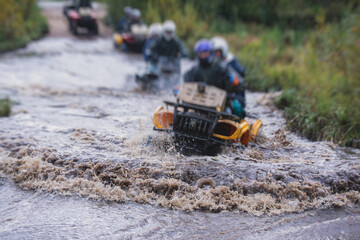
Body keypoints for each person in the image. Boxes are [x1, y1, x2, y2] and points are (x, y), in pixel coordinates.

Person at [184, 39, 245, 119]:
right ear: (197, 54)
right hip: (199, 101)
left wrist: (234, 83)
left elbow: (240, 85)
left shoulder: (221, 67)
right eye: (201, 53)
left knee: (235, 109)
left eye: (205, 53)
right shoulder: (194, 70)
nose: (203, 56)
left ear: (210, 53)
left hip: (221, 102)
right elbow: (186, 82)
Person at [210, 36, 246, 108]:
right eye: (213, 52)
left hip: (231, 95)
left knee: (236, 107)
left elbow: (241, 77)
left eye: (217, 52)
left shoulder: (231, 62)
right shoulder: (210, 64)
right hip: (213, 94)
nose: (215, 55)